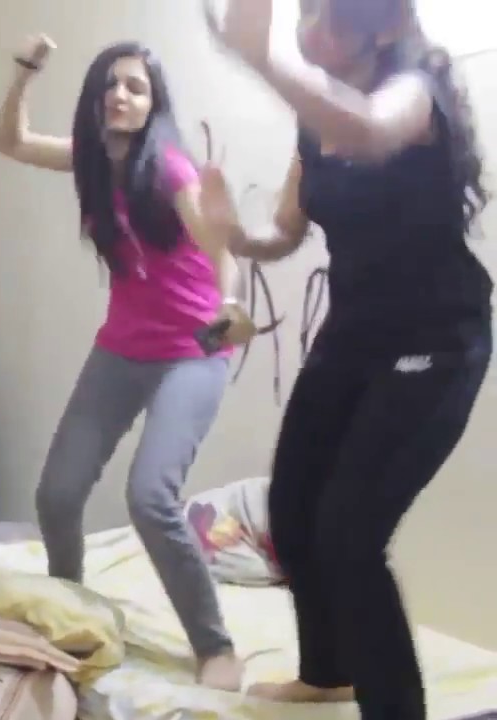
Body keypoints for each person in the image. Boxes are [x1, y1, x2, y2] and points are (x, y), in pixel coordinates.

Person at [204, 0, 491, 715]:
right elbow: (283, 232)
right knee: (292, 510)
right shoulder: (314, 124)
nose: (309, 29)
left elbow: (369, 131)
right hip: (354, 335)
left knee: (350, 532)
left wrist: (260, 55)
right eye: (305, 12)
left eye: (330, 16)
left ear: (384, 27)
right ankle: (329, 671)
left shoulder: (415, 90)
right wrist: (233, 234)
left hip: (435, 338)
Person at [0, 35, 255, 689]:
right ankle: (71, 611)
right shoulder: (88, 161)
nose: (121, 95)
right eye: (111, 84)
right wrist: (24, 72)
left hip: (192, 351)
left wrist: (230, 303)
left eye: (136, 87)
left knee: (149, 495)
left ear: (153, 102)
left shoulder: (170, 170)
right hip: (121, 348)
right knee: (57, 493)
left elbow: (219, 249)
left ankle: (214, 645)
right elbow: (11, 142)